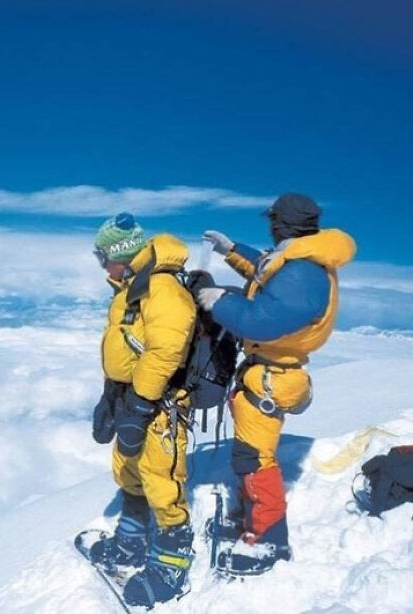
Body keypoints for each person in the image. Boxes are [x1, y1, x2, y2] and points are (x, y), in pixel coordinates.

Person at [198, 193, 356, 575]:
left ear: (280, 224)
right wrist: (232, 250)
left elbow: (262, 320)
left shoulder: (304, 272)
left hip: (273, 375)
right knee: (249, 456)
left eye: (272, 221)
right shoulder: (299, 258)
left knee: (255, 460)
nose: (269, 227)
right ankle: (248, 516)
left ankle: (267, 538)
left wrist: (218, 302)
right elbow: (266, 270)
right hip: (269, 371)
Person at [89, 212, 197, 608]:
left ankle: (171, 563)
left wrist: (139, 404)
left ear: (121, 253)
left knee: (161, 479)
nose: (102, 265)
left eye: (103, 256)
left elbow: (166, 350)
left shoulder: (162, 288)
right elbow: (126, 347)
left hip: (159, 405)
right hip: (129, 398)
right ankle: (132, 541)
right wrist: (109, 395)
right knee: (128, 470)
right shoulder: (131, 287)